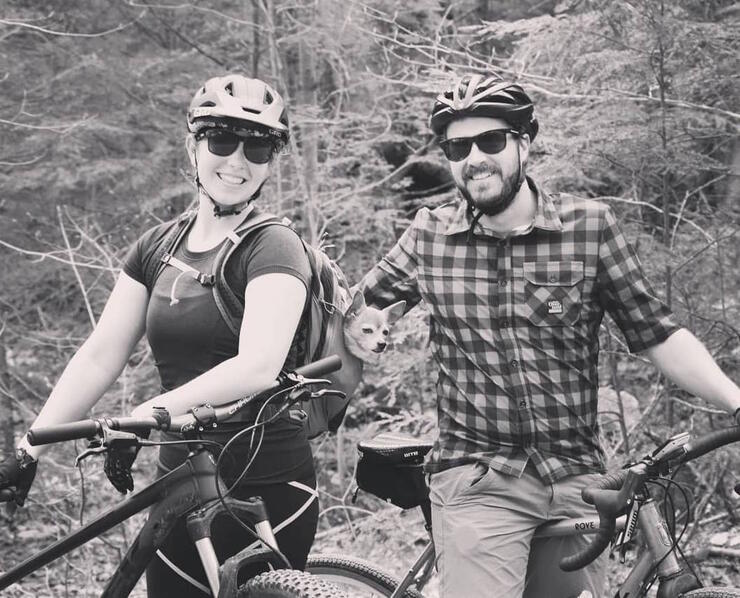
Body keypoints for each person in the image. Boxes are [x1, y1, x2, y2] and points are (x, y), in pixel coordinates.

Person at [357, 72, 740, 598]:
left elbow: (655, 333)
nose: (474, 158)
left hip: (579, 479)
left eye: (490, 141)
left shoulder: (589, 227)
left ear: (524, 143)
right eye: (457, 146)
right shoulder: (429, 235)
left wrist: (735, 402)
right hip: (478, 477)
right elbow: (352, 311)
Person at [0, 75, 319, 597]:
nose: (237, 161)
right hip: (181, 481)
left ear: (270, 160)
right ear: (193, 145)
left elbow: (258, 364)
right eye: (221, 141)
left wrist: (145, 415)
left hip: (267, 482)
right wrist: (31, 443)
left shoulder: (274, 246)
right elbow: (102, 354)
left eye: (257, 146)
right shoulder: (157, 246)